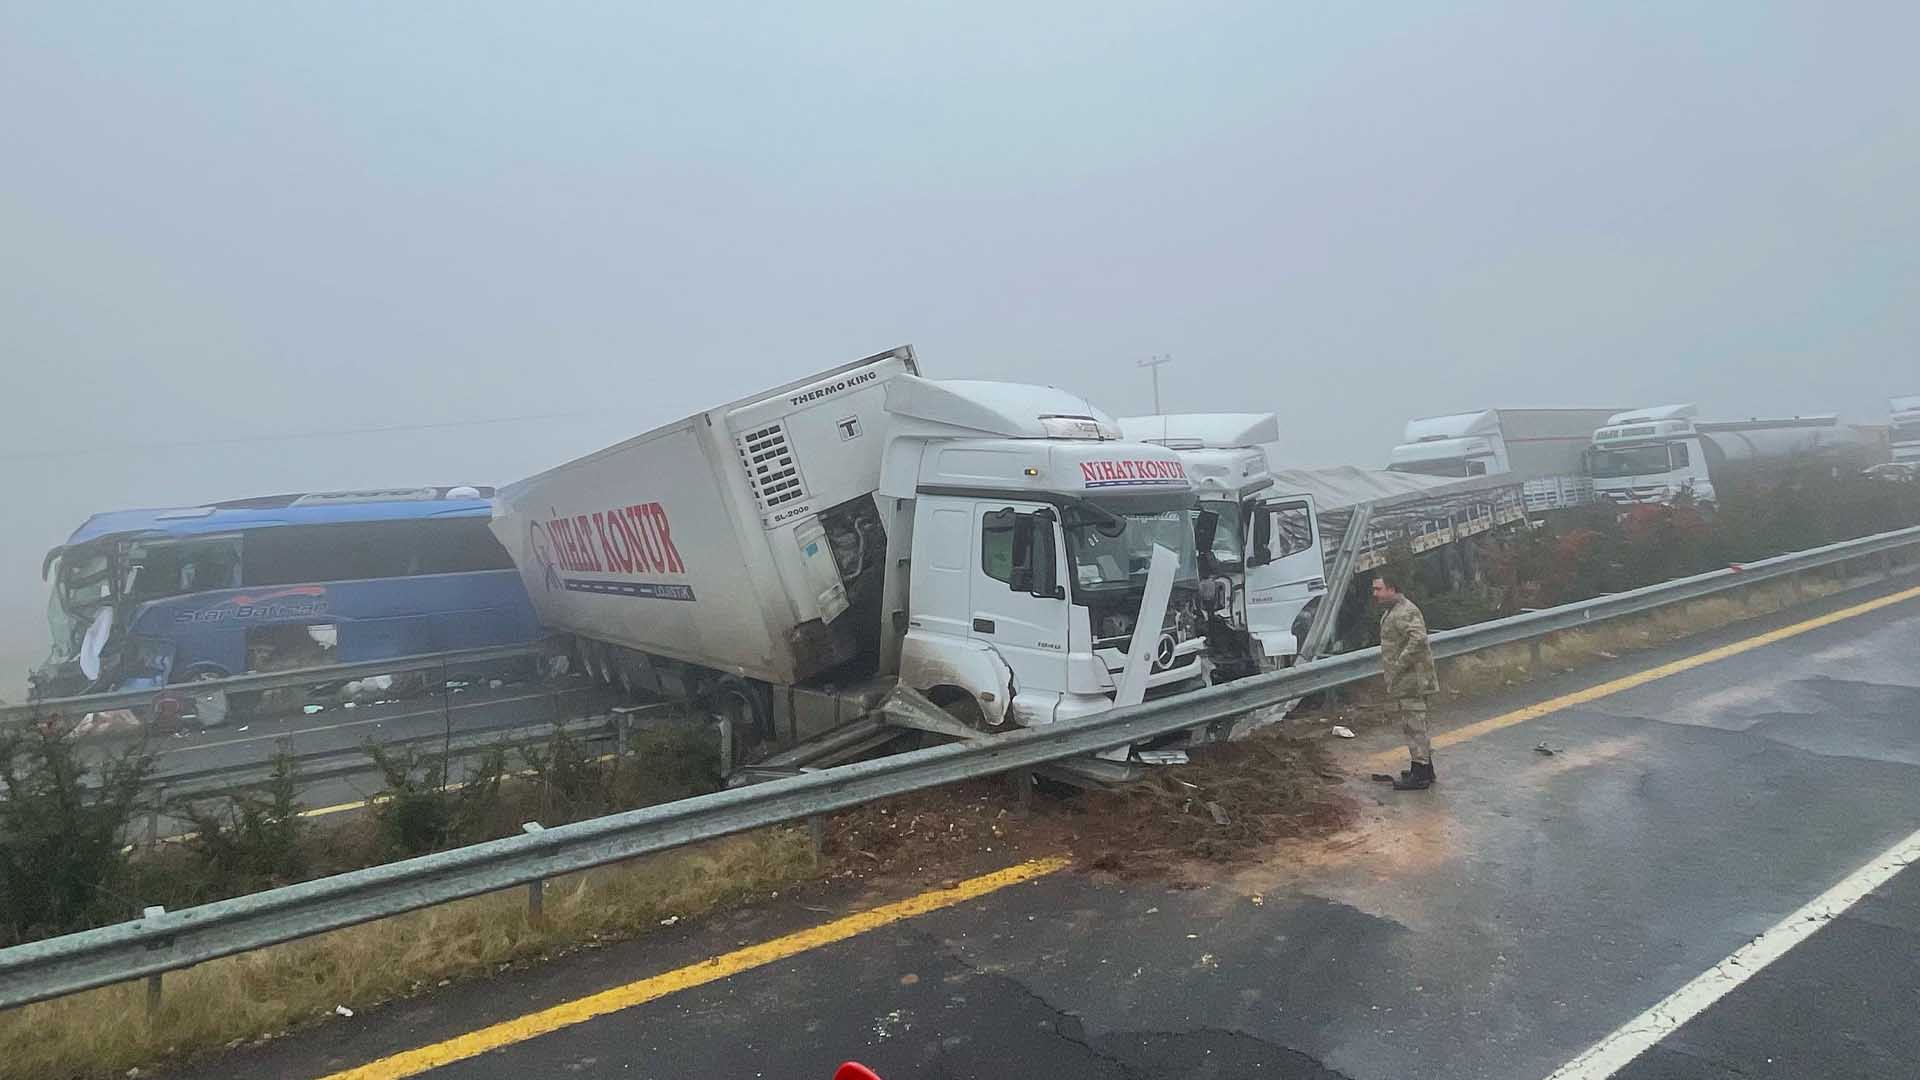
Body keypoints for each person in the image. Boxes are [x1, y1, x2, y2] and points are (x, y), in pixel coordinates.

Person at [1374, 570, 1439, 790]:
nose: (1375, 594)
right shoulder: (1393, 611)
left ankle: (1420, 774)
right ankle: (1424, 769)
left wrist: (1399, 664)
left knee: (1414, 725)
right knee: (1413, 724)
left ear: (1392, 589)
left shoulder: (1404, 611)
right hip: (1407, 680)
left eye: (1378, 589)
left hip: (1412, 679)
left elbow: (1418, 639)